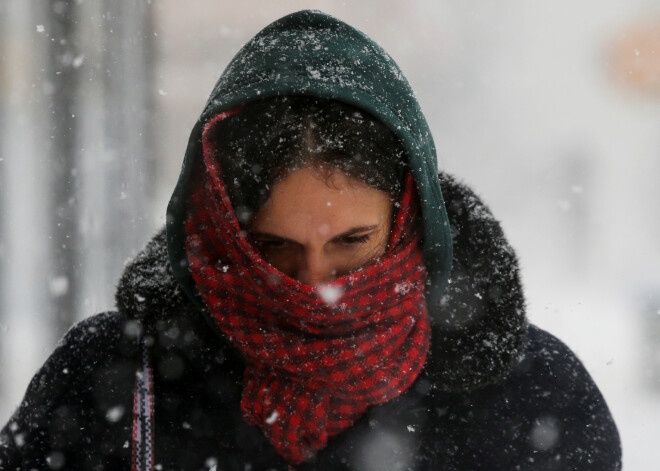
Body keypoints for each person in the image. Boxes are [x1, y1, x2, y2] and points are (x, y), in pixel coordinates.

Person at [0, 10, 621, 471]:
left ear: (411, 217)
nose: (317, 285)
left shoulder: (536, 397)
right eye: (273, 249)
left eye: (353, 241)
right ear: (222, 229)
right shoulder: (106, 381)